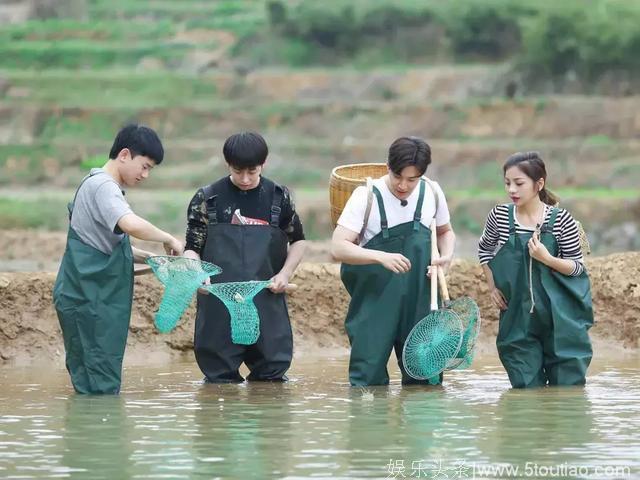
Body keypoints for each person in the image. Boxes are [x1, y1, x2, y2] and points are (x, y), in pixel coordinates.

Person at [53, 124, 184, 394]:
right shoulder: (103, 186)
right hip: (88, 303)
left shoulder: (95, 184)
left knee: (95, 385)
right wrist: (168, 238)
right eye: (145, 166)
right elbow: (130, 224)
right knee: (100, 388)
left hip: (91, 302)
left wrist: (152, 259)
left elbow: (108, 248)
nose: (145, 175)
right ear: (124, 155)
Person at [331, 136, 455, 387]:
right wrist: (380, 256)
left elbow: (445, 232)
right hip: (375, 303)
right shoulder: (365, 196)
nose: (403, 185)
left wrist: (446, 257)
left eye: (412, 179)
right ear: (388, 166)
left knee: (425, 379)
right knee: (367, 381)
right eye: (398, 176)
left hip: (420, 301)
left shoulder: (432, 191)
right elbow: (338, 246)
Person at [183, 131, 306, 383]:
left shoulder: (278, 197)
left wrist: (284, 274)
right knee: (219, 382)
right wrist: (198, 273)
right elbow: (192, 247)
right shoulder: (207, 199)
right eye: (239, 171)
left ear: (264, 163)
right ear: (228, 164)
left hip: (266, 300)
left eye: (253, 171)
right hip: (218, 303)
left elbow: (298, 241)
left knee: (271, 379)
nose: (246, 178)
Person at [478, 151, 593, 388]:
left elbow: (577, 267)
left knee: (568, 387)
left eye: (519, 183)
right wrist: (492, 288)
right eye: (508, 183)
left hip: (561, 316)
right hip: (517, 317)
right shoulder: (499, 217)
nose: (512, 190)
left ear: (539, 184)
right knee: (525, 386)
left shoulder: (562, 220)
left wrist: (547, 258)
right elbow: (485, 252)